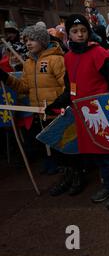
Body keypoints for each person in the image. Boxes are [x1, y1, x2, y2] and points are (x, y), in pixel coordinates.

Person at [46, 14, 109, 209]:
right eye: (75, 31)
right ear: (69, 35)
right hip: (83, 114)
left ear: (88, 32)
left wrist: (105, 102)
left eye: (83, 31)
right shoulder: (68, 57)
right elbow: (70, 88)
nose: (80, 34)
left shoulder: (99, 53)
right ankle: (107, 185)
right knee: (96, 155)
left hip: (100, 112)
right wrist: (54, 105)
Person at [0, 23, 66, 176]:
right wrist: (6, 78)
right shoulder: (28, 64)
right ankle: (53, 164)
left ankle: (69, 173)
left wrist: (61, 105)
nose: (28, 43)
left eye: (32, 40)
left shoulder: (56, 60)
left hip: (55, 111)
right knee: (47, 143)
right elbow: (24, 87)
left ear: (42, 41)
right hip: (39, 111)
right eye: (26, 40)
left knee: (61, 144)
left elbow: (65, 86)